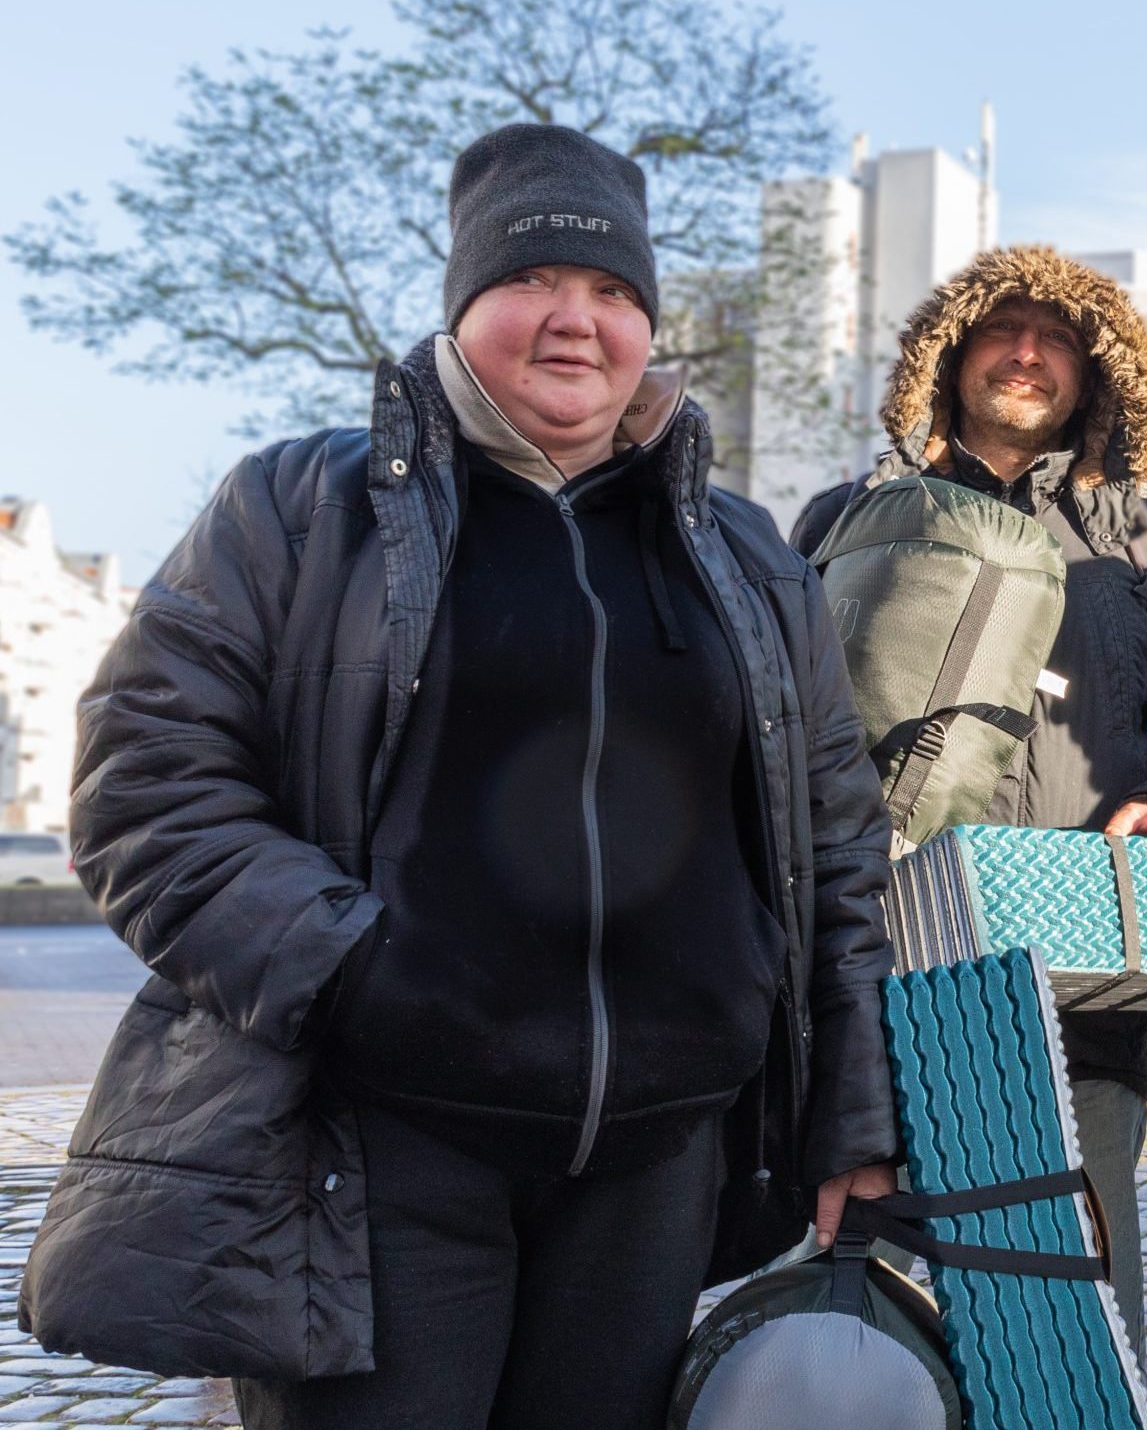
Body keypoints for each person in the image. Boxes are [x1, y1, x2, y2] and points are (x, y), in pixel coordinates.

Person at [59, 124, 900, 1429]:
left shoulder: (746, 558)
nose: (578, 321)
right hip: (380, 1151)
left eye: (615, 292)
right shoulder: (298, 508)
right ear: (464, 306)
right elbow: (146, 788)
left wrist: (851, 1110)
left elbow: (840, 849)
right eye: (536, 281)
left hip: (659, 1168)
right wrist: (358, 976)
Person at [789, 244, 1147, 1355]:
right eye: (1001, 328)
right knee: (866, 1335)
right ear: (947, 356)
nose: (1028, 353)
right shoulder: (842, 519)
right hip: (879, 988)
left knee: (1076, 1331)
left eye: (1057, 337)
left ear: (1098, 377)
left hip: (1079, 999)